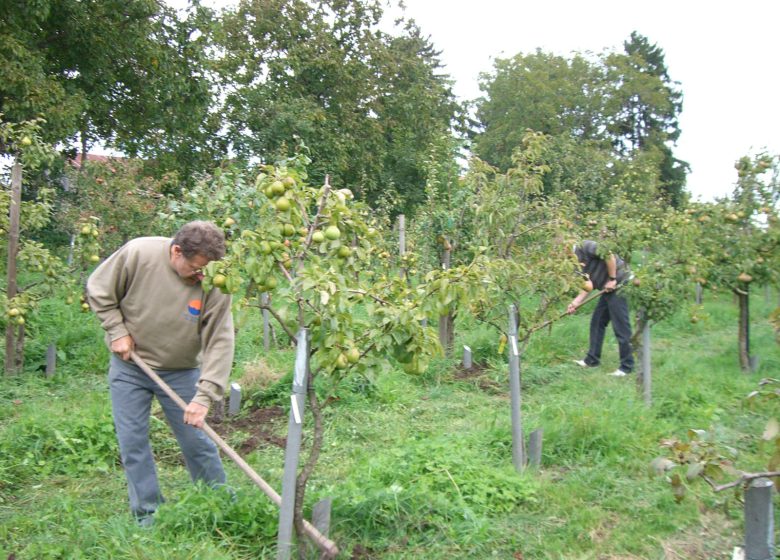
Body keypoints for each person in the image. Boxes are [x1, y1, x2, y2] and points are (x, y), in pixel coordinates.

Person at [86, 220, 234, 526]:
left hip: (181, 372)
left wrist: (204, 396)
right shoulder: (138, 253)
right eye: (196, 267)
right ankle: (148, 512)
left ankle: (221, 504)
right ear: (177, 251)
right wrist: (116, 330)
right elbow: (98, 289)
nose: (201, 275)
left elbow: (220, 340)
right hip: (131, 366)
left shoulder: (215, 281)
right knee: (133, 442)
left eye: (207, 269)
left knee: (198, 441)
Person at [567, 240, 634, 377]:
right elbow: (588, 284)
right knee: (597, 322)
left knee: (621, 326)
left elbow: (608, 254)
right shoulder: (573, 262)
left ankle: (626, 367)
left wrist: (612, 278)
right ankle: (592, 360)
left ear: (566, 245)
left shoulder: (585, 246)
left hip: (620, 283)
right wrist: (576, 302)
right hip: (607, 289)